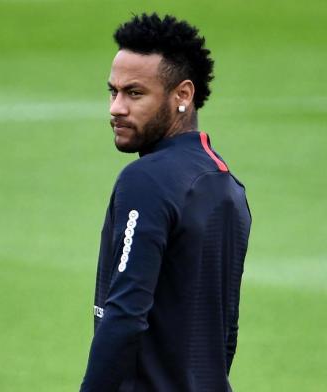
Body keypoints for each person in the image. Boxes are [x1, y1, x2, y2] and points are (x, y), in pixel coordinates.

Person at [80, 13, 251, 392]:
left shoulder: (146, 180)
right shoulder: (227, 185)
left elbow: (124, 314)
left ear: (183, 95)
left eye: (134, 93)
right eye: (113, 91)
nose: (116, 108)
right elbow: (226, 328)